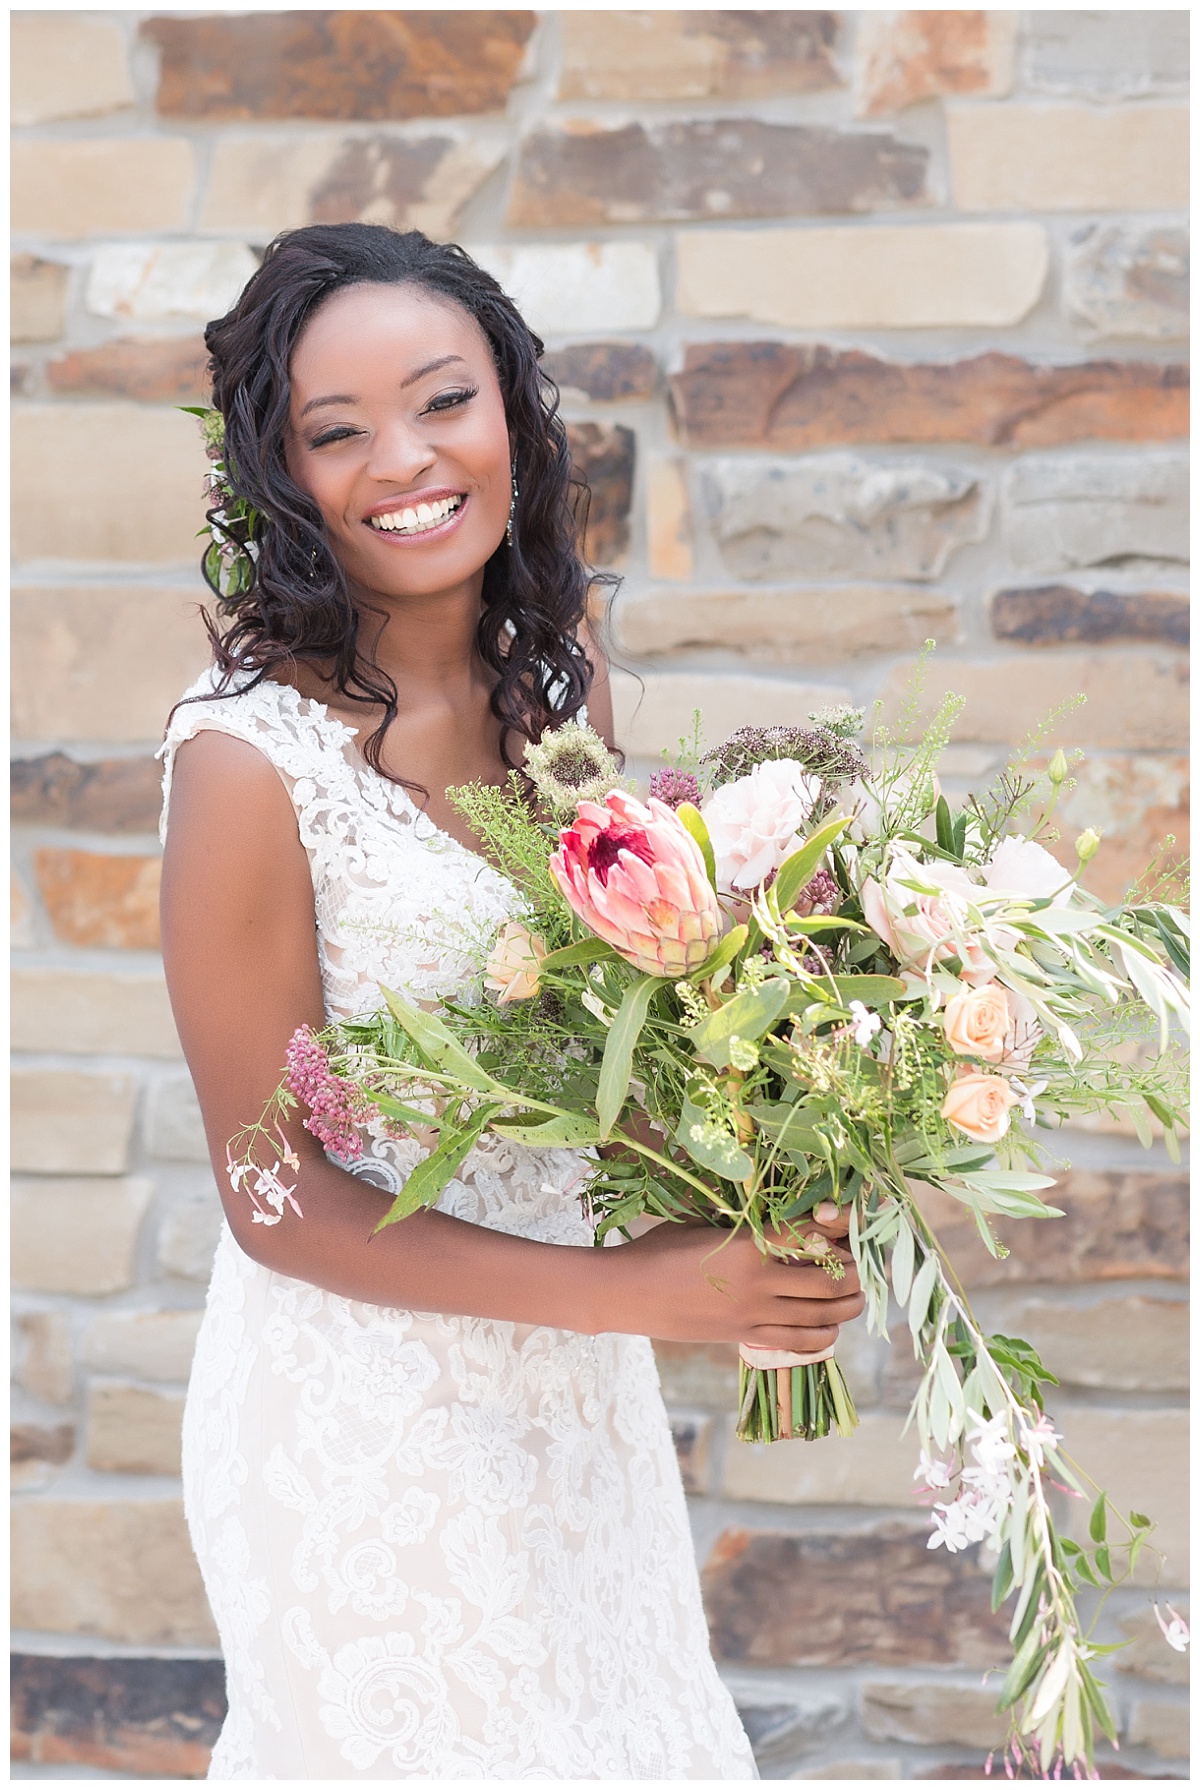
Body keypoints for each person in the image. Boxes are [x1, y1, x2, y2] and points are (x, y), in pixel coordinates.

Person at [159, 224, 865, 1781]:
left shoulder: (558, 686)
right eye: (336, 432)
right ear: (279, 475)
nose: (406, 461)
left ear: (511, 416)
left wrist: (802, 1130)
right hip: (358, 1419)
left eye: (443, 401)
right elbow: (274, 1194)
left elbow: (602, 1034)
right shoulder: (243, 764)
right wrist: (651, 1294)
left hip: (575, 1403)